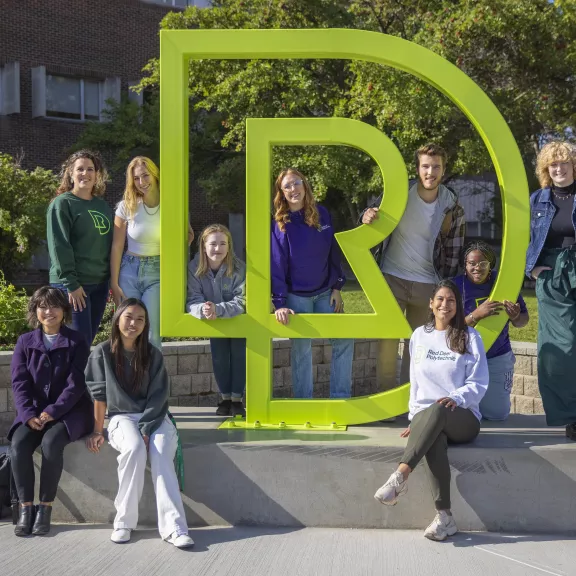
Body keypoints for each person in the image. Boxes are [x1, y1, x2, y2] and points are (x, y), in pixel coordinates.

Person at [374, 280, 488, 541]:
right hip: (432, 417)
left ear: (457, 306)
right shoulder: (419, 336)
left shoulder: (470, 336)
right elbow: (416, 383)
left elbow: (479, 383)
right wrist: (417, 419)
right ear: (430, 303)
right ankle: (445, 517)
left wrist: (456, 398)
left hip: (464, 417)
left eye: (450, 300)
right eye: (439, 299)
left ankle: (399, 476)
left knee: (438, 408)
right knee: (434, 435)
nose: (444, 304)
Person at [85, 298, 193, 548]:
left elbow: (159, 396)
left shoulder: (152, 354)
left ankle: (175, 528)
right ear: (117, 319)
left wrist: (146, 427)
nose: (133, 323)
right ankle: (124, 522)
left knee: (160, 451)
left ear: (146, 325)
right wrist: (96, 429)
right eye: (128, 317)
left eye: (140, 319)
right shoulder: (102, 352)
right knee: (133, 449)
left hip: (155, 416)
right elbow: (99, 395)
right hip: (122, 417)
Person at [361, 144, 466, 390]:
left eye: (436, 167)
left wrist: (444, 291)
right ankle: (385, 402)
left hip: (428, 286)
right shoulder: (399, 193)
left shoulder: (452, 207)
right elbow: (370, 215)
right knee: (386, 344)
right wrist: (367, 215)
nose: (430, 172)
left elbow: (454, 253)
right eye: (426, 166)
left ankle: (411, 403)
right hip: (392, 278)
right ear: (418, 168)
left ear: (443, 169)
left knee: (419, 347)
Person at [8, 287, 94, 537]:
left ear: (64, 310)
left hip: (71, 411)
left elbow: (76, 384)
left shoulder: (77, 341)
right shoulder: (25, 342)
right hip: (33, 411)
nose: (49, 311)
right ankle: (26, 508)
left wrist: (52, 412)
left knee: (51, 442)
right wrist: (28, 414)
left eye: (55, 306)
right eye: (43, 306)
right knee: (18, 444)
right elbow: (19, 383)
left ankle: (45, 508)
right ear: (35, 311)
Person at [110, 157, 194, 349]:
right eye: (136, 178)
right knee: (126, 331)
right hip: (129, 270)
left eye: (145, 175)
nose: (142, 182)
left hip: (158, 272)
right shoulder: (126, 206)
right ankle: (127, 378)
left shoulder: (173, 204)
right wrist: (114, 283)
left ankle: (151, 379)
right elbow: (116, 246)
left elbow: (186, 239)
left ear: (155, 175)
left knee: (151, 334)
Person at [525, 141, 576, 439]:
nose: (558, 168)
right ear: (546, 170)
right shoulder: (538, 200)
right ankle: (571, 415)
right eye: (553, 165)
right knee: (559, 348)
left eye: (564, 163)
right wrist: (530, 269)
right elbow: (525, 237)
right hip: (553, 273)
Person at [453, 241, 529, 420]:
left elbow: (522, 322)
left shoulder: (504, 285)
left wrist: (516, 316)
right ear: (465, 265)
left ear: (491, 264)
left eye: (482, 263)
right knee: (461, 412)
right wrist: (476, 315)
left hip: (497, 355)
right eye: (472, 263)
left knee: (497, 415)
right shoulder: (454, 286)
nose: (477, 268)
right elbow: (446, 329)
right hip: (464, 356)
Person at [48, 149, 113, 346]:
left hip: (99, 286)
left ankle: (74, 378)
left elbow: (109, 245)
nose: (85, 173)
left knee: (85, 343)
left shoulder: (102, 206)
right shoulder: (62, 204)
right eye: (80, 169)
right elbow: (59, 246)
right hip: (73, 286)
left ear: (97, 174)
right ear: (70, 173)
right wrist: (71, 284)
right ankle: (60, 378)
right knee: (75, 345)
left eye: (90, 169)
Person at [186, 224, 246, 417]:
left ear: (229, 246)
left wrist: (218, 309)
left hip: (235, 319)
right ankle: (225, 398)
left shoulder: (238, 268)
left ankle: (237, 399)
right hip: (212, 320)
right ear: (203, 246)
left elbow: (242, 300)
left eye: (222, 244)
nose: (217, 248)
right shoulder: (194, 268)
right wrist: (202, 309)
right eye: (213, 244)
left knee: (238, 356)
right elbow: (192, 297)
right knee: (219, 358)